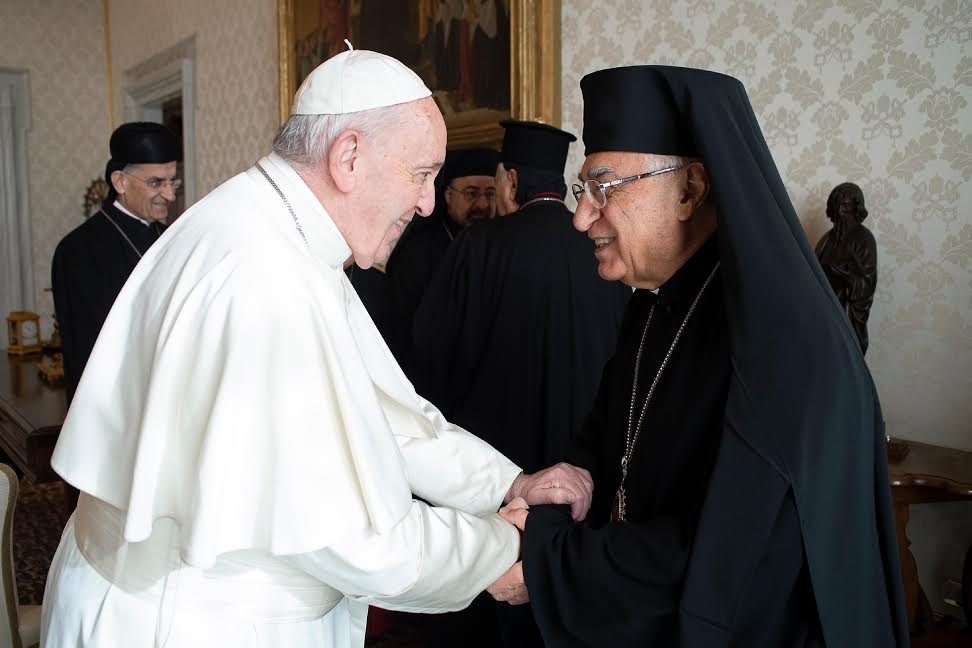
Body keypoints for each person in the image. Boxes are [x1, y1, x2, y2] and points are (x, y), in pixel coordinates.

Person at [41, 48, 593, 648]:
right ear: (348, 157)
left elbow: (381, 414)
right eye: (421, 173)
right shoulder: (265, 273)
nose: (428, 203)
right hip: (190, 620)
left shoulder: (281, 233)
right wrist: (502, 545)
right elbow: (355, 539)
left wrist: (507, 486)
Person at [493, 66, 908, 647]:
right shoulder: (653, 300)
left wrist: (546, 558)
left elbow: (728, 559)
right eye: (582, 190)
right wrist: (553, 504)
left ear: (689, 189)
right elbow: (602, 445)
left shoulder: (782, 341)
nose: (581, 217)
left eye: (604, 188)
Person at [413, 119, 631, 647]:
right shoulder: (607, 251)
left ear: (510, 181)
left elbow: (429, 361)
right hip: (582, 480)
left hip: (493, 481)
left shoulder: (479, 246)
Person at [51, 122, 179, 403]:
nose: (170, 195)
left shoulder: (174, 238)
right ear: (120, 182)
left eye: (173, 182)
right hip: (115, 403)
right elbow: (90, 353)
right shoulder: (78, 251)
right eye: (156, 182)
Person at [382, 146, 499, 379]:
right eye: (471, 193)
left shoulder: (500, 248)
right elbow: (403, 331)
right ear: (448, 196)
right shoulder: (418, 254)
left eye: (490, 194)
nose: (482, 204)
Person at [815, 182, 877, 354]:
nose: (841, 211)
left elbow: (867, 282)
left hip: (846, 313)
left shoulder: (864, 239)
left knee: (846, 353)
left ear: (856, 208)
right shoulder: (826, 239)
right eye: (837, 206)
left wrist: (845, 274)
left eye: (846, 206)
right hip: (824, 312)